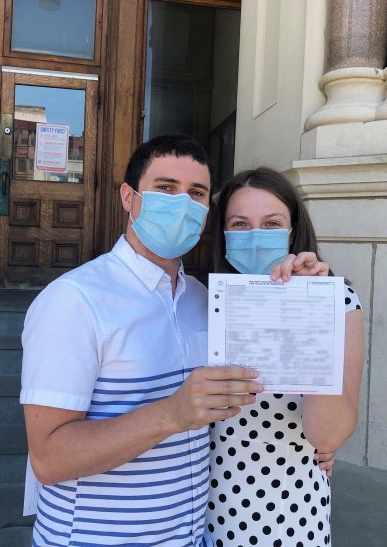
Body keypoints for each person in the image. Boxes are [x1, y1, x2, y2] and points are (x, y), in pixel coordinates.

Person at [20, 135, 316, 546]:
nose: (181, 203)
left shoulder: (204, 300)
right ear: (129, 197)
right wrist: (173, 414)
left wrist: (306, 290)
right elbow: (49, 459)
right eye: (164, 188)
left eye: (196, 193)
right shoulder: (73, 301)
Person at [205, 167, 365, 547]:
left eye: (272, 222)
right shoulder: (203, 302)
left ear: (293, 229)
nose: (256, 236)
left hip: (286, 516)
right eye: (240, 224)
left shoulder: (337, 302)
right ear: (223, 234)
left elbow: (328, 433)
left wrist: (308, 311)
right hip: (200, 512)